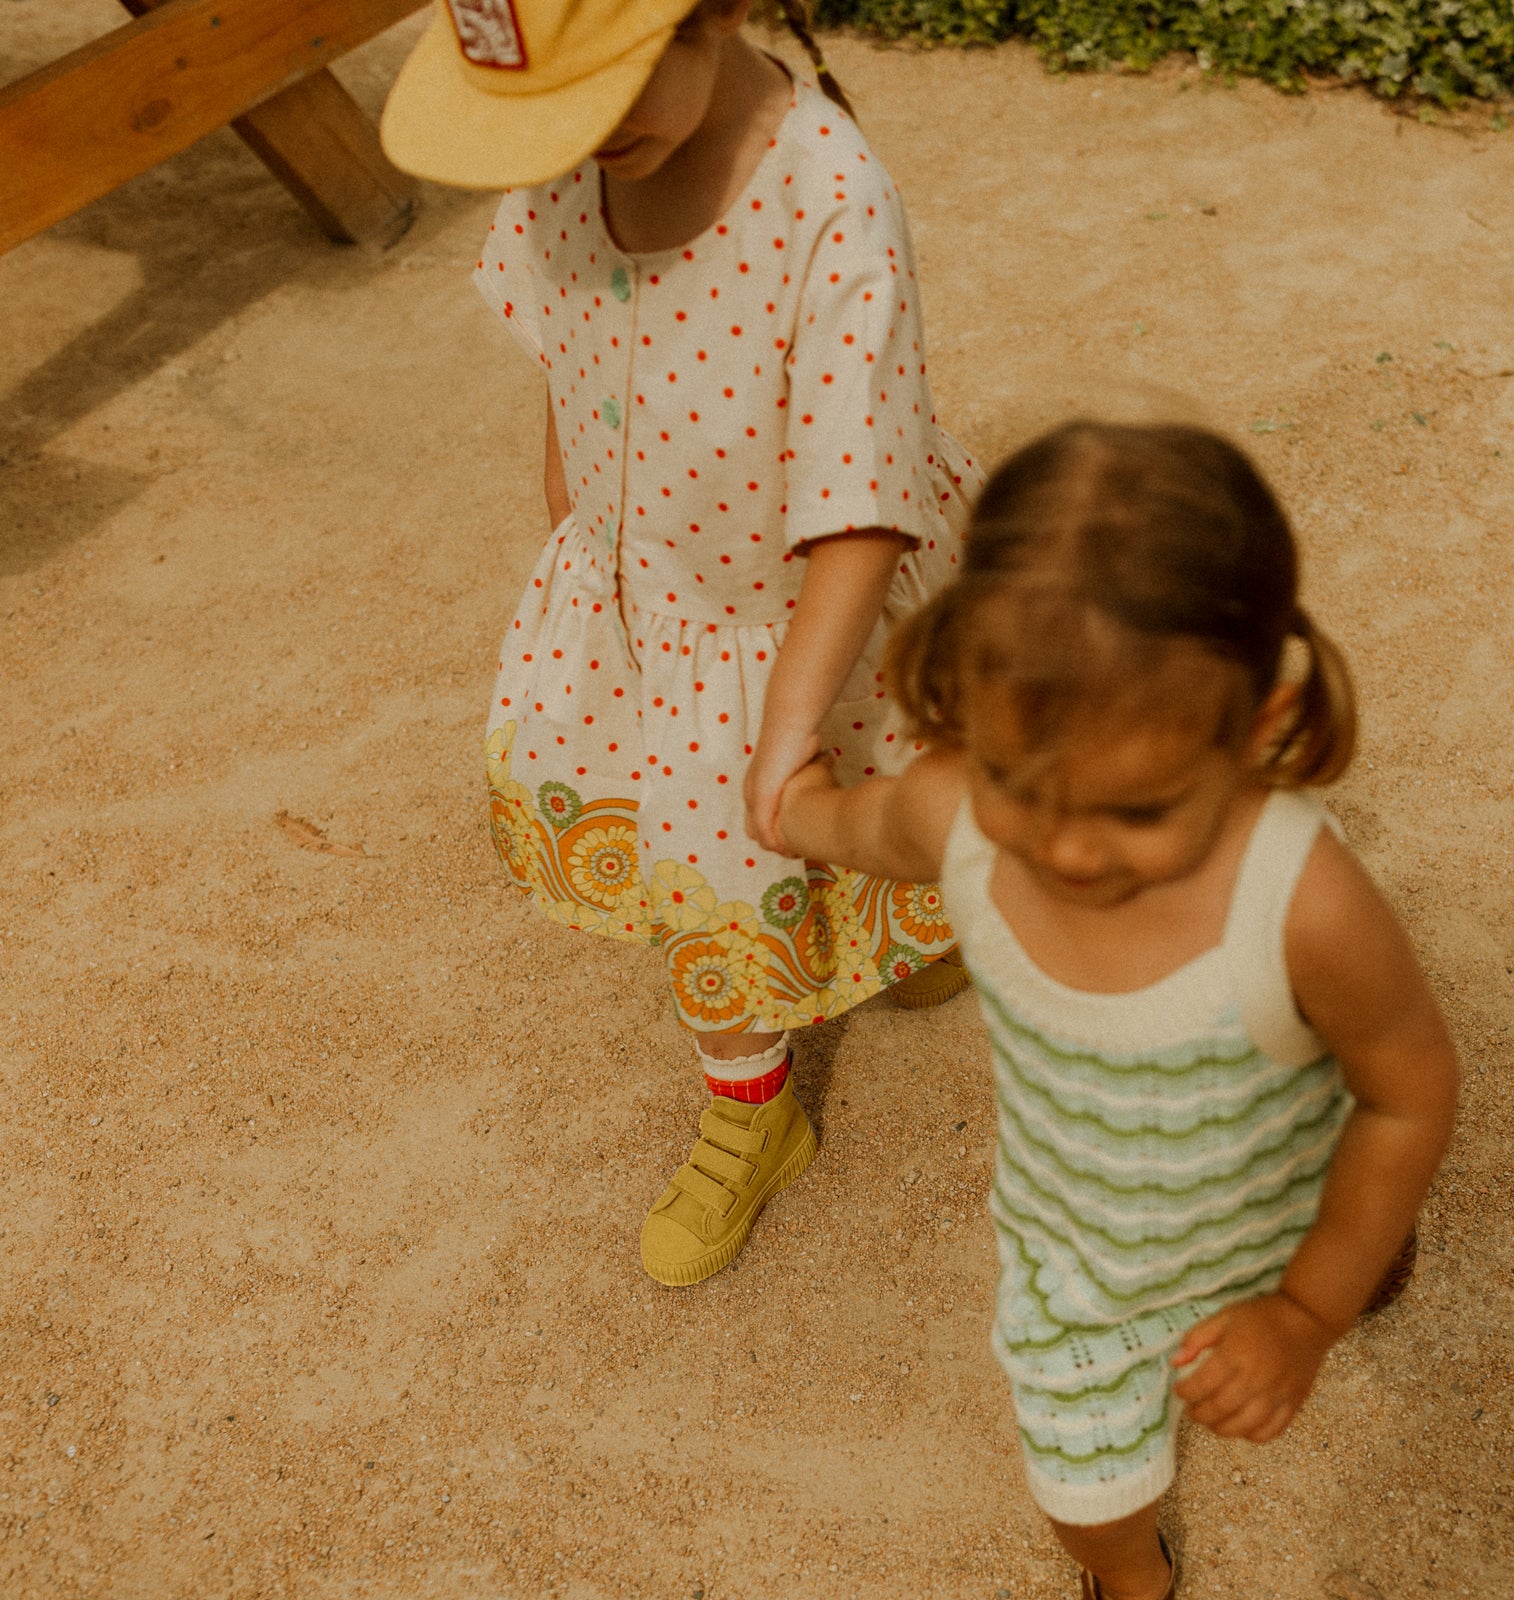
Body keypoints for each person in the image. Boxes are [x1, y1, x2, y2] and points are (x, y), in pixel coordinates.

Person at [776, 422, 1457, 1600]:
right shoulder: (956, 810)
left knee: (1352, 1206)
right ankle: (1132, 1580)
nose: (1072, 847)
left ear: (1253, 728)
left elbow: (1406, 1087)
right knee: (1080, 1500)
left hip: (1277, 1206)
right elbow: (860, 825)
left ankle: (1356, 1251)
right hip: (1075, 1266)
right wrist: (789, 804)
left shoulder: (1300, 896)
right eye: (1024, 787)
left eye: (1137, 810)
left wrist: (1303, 1310)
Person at [380, 0, 980, 1287]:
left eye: (607, 101)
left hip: (806, 606)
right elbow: (562, 336)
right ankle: (758, 1104)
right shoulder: (575, 160)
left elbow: (860, 508)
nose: (585, 146)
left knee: (836, 781)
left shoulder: (829, 196)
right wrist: (576, 534)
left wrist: (777, 736)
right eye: (552, 123)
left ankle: (893, 938)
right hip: (656, 607)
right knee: (702, 880)